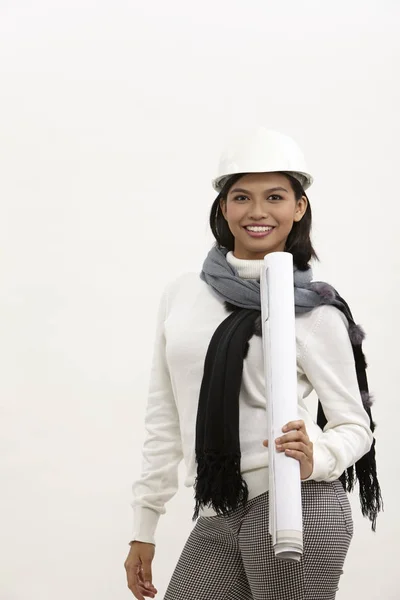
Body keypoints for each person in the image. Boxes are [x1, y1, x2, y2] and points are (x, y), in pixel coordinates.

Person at [124, 128, 382, 600]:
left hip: (298, 502)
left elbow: (354, 426)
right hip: (217, 507)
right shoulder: (183, 294)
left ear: (299, 207)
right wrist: (145, 523)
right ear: (224, 207)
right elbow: (165, 416)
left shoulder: (315, 311)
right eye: (242, 196)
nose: (257, 212)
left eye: (275, 197)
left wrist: (315, 457)